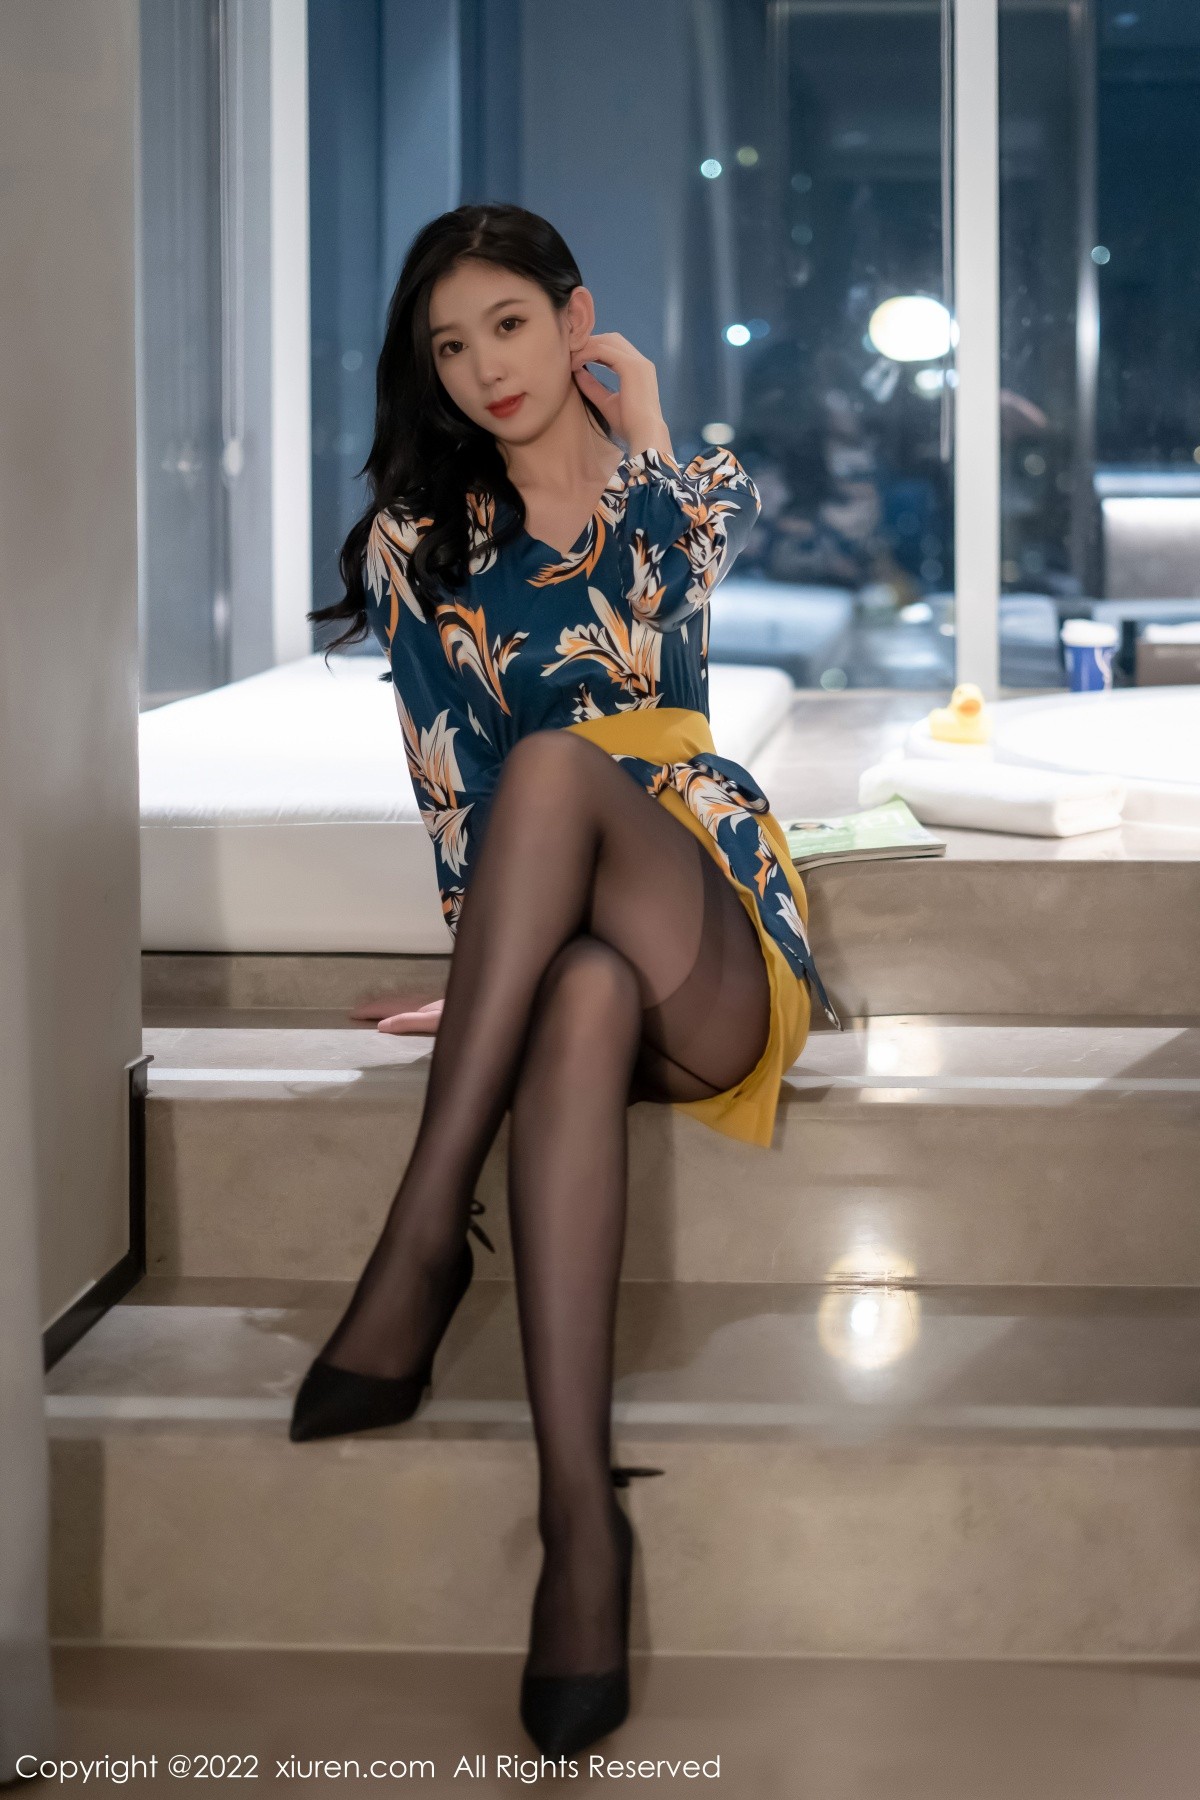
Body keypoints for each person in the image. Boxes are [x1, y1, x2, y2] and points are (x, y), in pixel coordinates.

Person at [295, 203, 837, 1758]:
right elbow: (450, 792)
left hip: (708, 911)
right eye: (450, 347)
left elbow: (671, 594)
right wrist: (498, 972)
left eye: (511, 325)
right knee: (577, 981)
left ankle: (422, 1238)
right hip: (581, 944)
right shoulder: (420, 543)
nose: (485, 368)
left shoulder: (681, 482)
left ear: (572, 317)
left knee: (556, 767)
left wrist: (644, 420)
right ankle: (579, 1528)